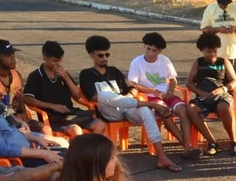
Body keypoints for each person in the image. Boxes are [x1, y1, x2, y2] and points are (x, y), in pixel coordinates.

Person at [78, 35, 181, 172]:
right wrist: (125, 100)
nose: (104, 58)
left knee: (145, 111)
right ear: (91, 55)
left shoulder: (113, 71)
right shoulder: (86, 74)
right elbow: (95, 97)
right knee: (104, 95)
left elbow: (132, 87)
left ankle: (161, 157)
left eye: (107, 55)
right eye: (100, 55)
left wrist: (128, 96)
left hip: (128, 107)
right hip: (110, 111)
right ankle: (151, 104)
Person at [128, 32, 201, 160]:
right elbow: (133, 84)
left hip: (167, 94)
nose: (150, 53)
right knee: (165, 112)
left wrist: (171, 91)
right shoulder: (136, 62)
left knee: (183, 110)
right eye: (148, 49)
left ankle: (187, 144)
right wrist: (152, 90)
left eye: (154, 50)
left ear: (160, 51)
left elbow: (173, 80)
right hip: (150, 96)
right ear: (144, 47)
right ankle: (187, 146)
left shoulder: (165, 60)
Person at [0, 64, 66, 169]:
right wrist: (42, 153)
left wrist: (34, 138)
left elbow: (8, 132)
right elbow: (2, 147)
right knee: (75, 160)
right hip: (20, 161)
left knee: (74, 153)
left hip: (29, 151)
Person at [23, 40, 105, 138]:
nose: (58, 64)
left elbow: (77, 95)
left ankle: (94, 151)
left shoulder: (62, 73)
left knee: (100, 124)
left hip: (70, 114)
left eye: (60, 60)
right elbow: (27, 98)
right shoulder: (36, 76)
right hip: (53, 118)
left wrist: (66, 77)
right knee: (76, 130)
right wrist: (52, 106)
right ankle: (79, 152)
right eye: (54, 61)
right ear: (45, 58)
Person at [185, 32, 236, 157]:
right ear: (202, 50)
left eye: (215, 51)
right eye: (209, 52)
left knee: (223, 107)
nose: (213, 54)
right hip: (204, 96)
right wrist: (200, 92)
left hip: (222, 95)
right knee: (191, 109)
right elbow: (189, 82)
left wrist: (224, 89)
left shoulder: (224, 62)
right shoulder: (198, 63)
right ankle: (212, 142)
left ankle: (234, 141)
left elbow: (235, 81)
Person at [200, 0, 236, 119]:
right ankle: (224, 111)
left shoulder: (235, 8)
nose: (225, 6)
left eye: (227, 3)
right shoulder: (210, 9)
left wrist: (235, 28)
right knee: (220, 85)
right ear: (217, 0)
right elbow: (204, 29)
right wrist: (217, 29)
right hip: (218, 54)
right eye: (222, 3)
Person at [0, 39, 44, 136]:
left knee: (45, 128)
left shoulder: (16, 75)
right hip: (1, 124)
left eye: (13, 54)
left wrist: (24, 120)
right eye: (7, 56)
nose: (13, 58)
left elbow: (21, 103)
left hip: (19, 121)